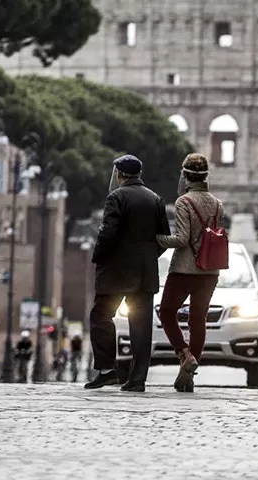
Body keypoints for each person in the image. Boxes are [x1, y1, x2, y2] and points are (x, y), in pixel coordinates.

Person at [86, 154, 171, 392]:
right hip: (145, 273)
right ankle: (137, 380)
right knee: (141, 326)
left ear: (120, 174)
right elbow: (163, 237)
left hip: (115, 272)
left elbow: (107, 234)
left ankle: (106, 370)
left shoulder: (116, 197)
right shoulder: (156, 199)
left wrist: (99, 257)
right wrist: (147, 257)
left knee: (101, 316)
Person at [156, 153, 223, 393]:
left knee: (166, 311)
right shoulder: (217, 203)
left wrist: (159, 239)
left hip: (185, 268)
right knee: (198, 319)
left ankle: (184, 354)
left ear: (185, 176)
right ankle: (190, 371)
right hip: (210, 270)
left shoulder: (184, 202)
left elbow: (182, 239)